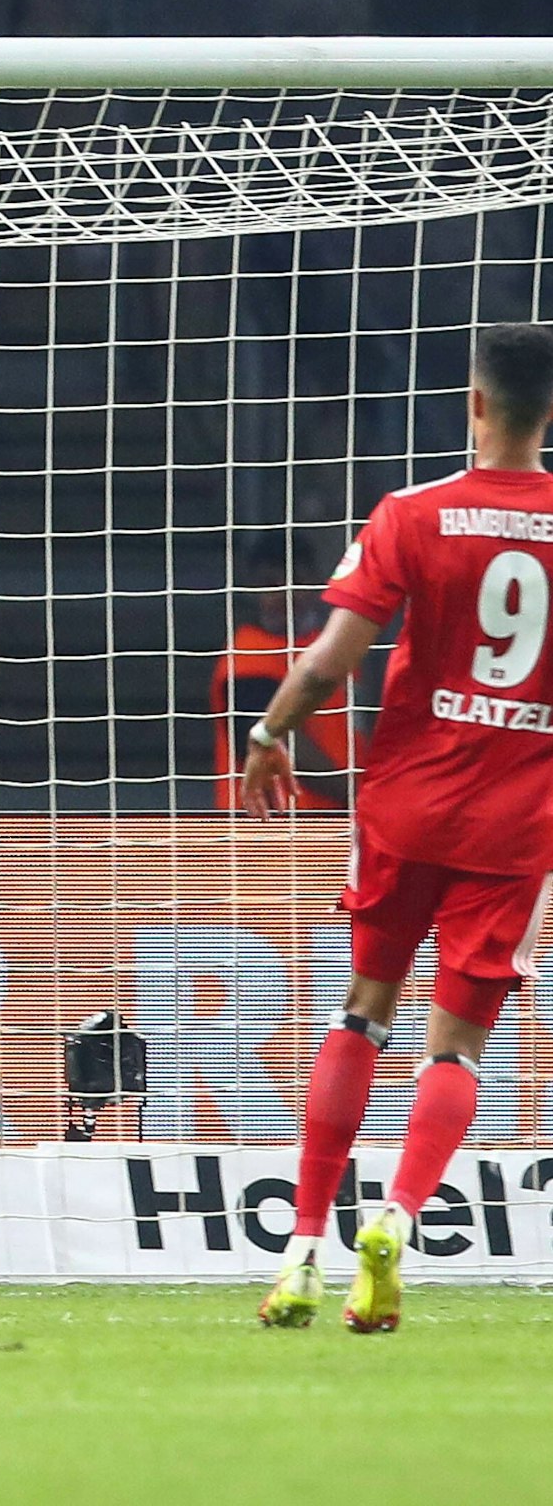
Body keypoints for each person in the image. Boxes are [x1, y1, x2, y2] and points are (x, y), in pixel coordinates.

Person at [248, 322, 553, 1332]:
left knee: (361, 1014)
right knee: (455, 1049)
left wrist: (269, 732)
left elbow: (329, 659)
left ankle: (300, 1252)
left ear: (474, 403)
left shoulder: (411, 513)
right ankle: (396, 1218)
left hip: (406, 805)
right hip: (516, 822)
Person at [211, 534, 359, 810]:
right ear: (252, 590)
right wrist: (357, 792)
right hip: (274, 823)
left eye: (296, 582)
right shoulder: (247, 656)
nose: (285, 595)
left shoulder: (332, 644)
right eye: (271, 585)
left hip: (336, 815)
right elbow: (280, 743)